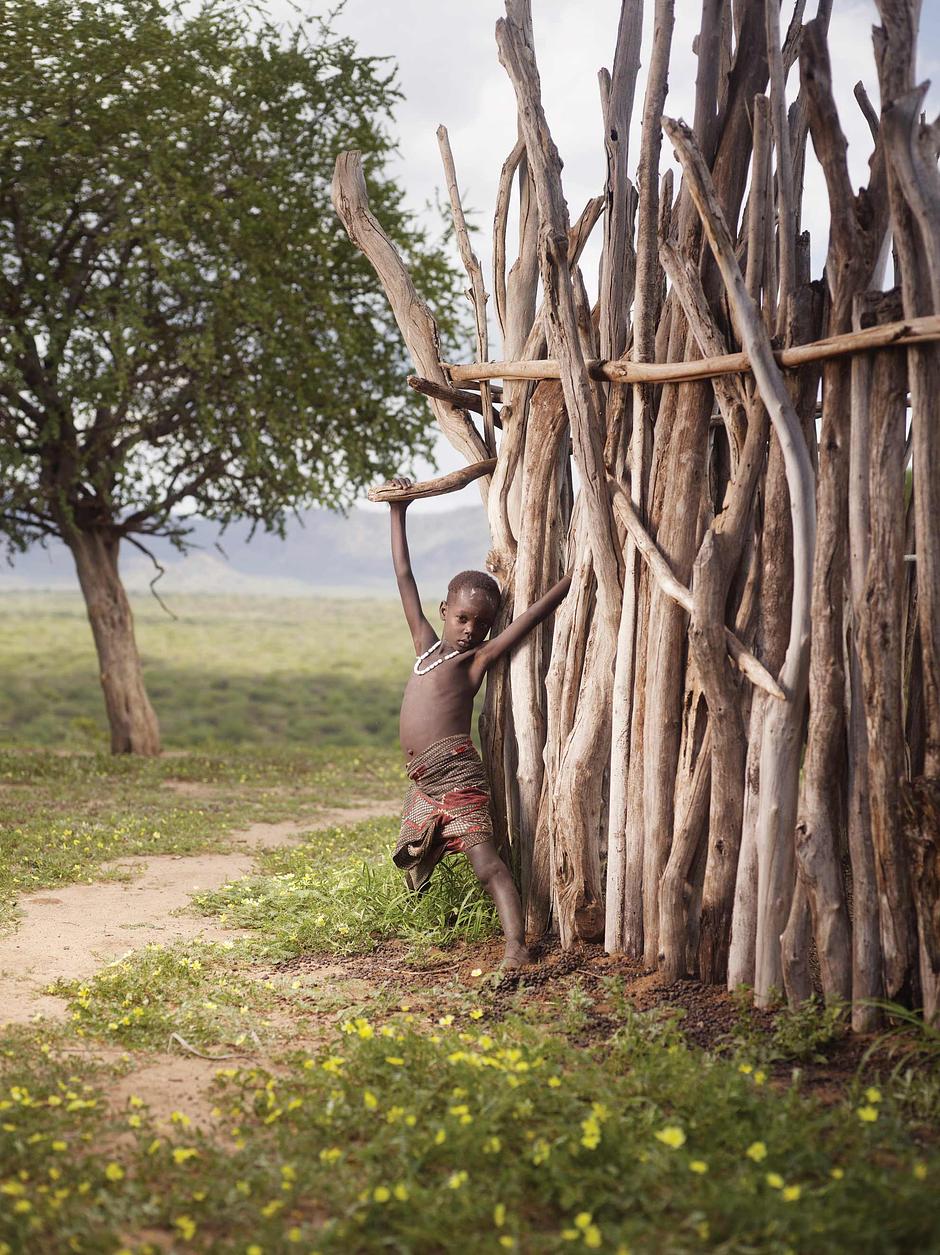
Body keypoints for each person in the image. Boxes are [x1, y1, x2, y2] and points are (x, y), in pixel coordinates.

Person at [384, 476, 572, 968]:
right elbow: (404, 575)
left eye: (481, 625)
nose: (471, 631)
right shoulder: (425, 646)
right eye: (463, 618)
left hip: (455, 774)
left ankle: (516, 948)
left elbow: (528, 618)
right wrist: (398, 510)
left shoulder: (474, 662)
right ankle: (418, 920)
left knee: (486, 863)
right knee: (415, 850)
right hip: (426, 779)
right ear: (444, 611)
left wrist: (571, 580)